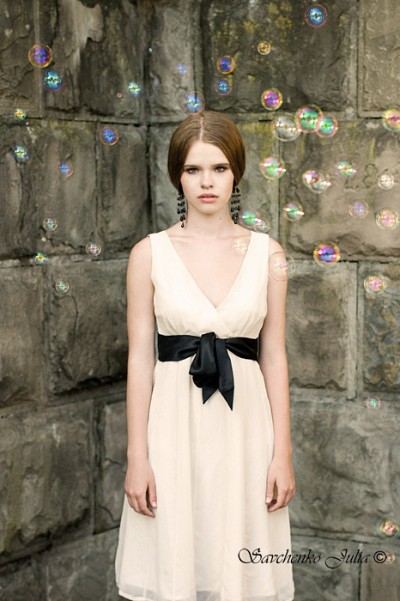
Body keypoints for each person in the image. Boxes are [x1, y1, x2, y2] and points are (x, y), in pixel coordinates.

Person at [115, 110, 295, 601]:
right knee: (177, 556)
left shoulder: (268, 254)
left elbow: (274, 356)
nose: (207, 182)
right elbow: (140, 360)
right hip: (173, 427)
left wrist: (282, 454)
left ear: (236, 172)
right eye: (193, 169)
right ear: (178, 176)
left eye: (218, 168)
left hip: (245, 427)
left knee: (239, 561)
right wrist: (137, 457)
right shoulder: (149, 254)